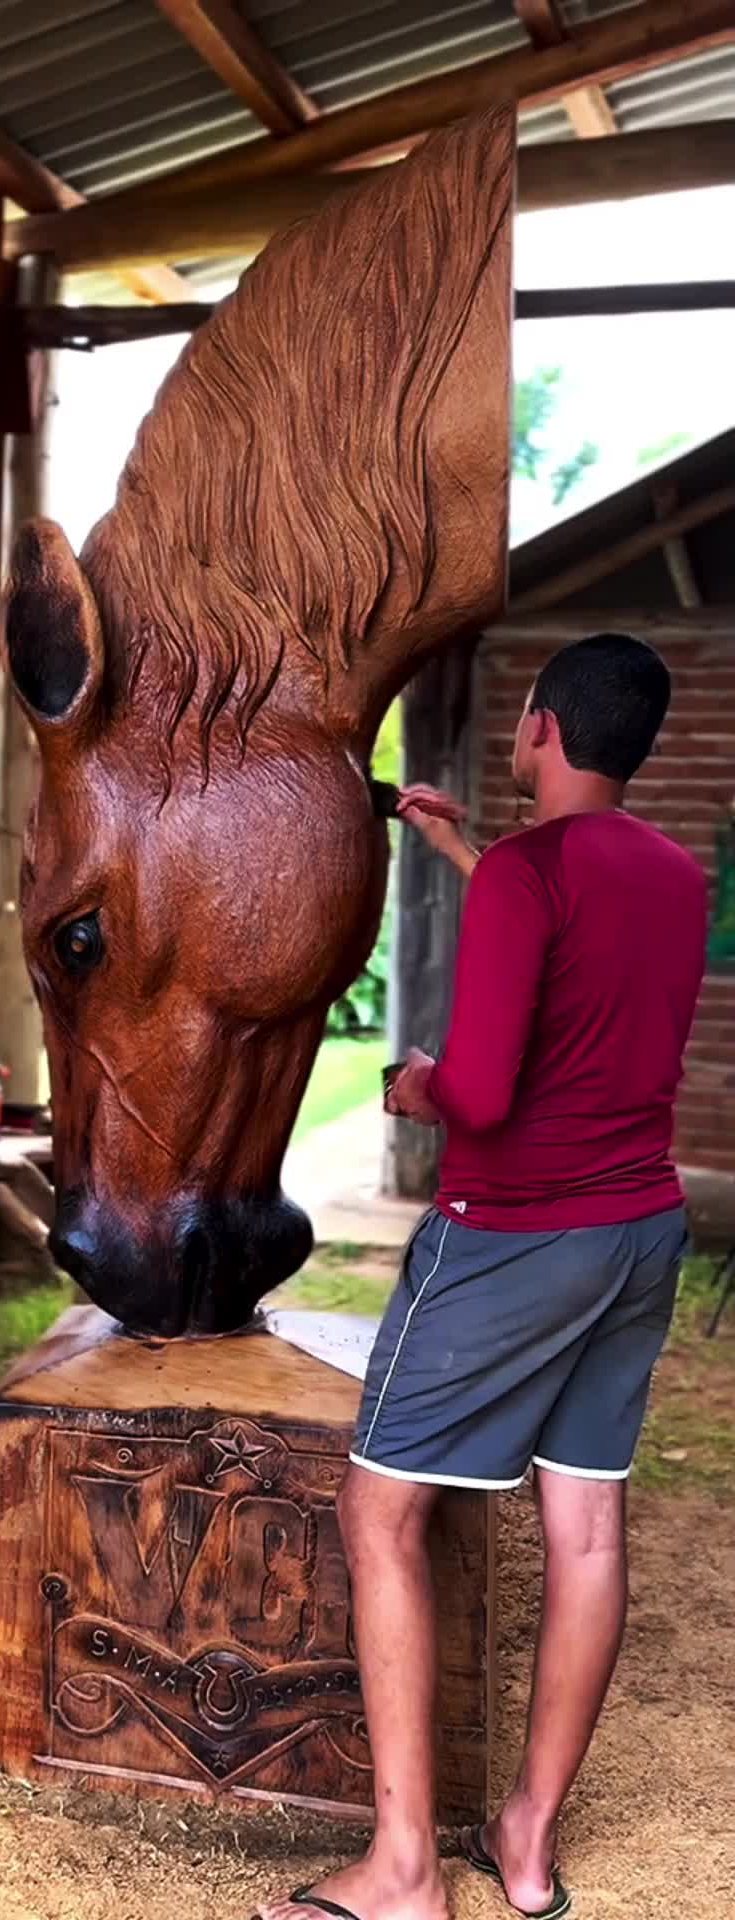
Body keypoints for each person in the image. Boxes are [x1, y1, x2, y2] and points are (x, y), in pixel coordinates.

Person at [259, 634, 707, 1920]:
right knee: (587, 1528)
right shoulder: (671, 876)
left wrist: (418, 1089)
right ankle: (526, 1841)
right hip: (640, 1232)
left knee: (379, 1511)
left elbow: (487, 1089)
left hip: (514, 1233)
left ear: (541, 728)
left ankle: (404, 1871)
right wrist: (457, 849)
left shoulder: (531, 873)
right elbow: (571, 937)